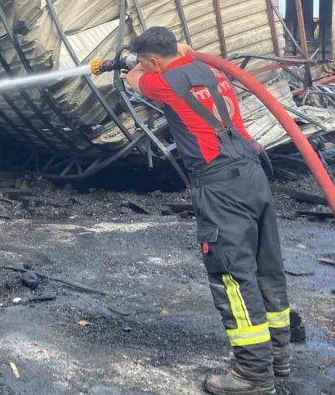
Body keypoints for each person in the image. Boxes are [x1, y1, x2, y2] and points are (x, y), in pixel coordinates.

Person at [124, 27, 290, 395]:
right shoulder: (210, 70)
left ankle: (252, 374)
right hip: (253, 173)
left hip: (220, 186)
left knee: (233, 276)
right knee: (266, 267)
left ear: (153, 61)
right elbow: (176, 65)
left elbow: (135, 80)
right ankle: (278, 355)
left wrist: (132, 66)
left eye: (145, 62)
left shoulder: (161, 82)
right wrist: (181, 53)